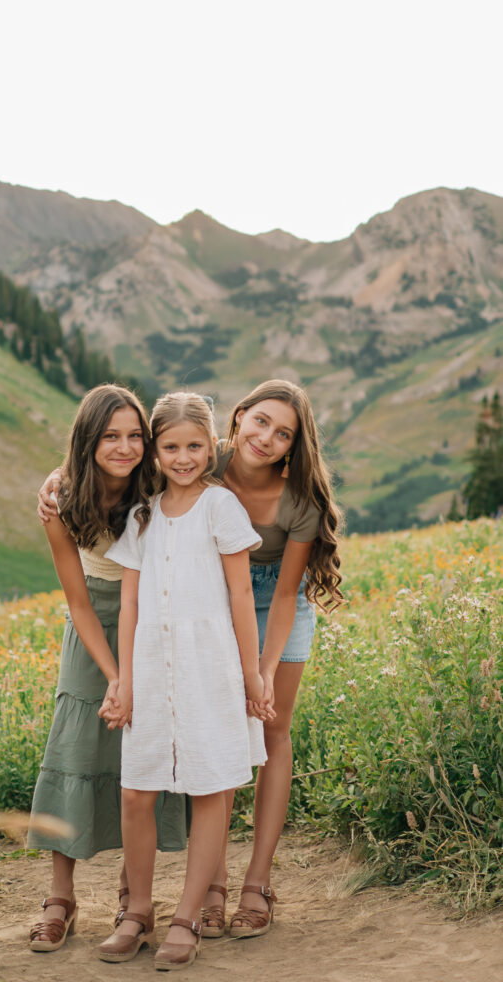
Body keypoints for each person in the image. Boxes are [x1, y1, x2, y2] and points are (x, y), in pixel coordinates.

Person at [96, 392, 274, 971]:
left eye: (195, 446)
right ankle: (138, 910)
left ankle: (189, 915)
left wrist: (252, 674)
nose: (183, 457)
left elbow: (243, 595)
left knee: (209, 789)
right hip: (150, 668)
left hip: (209, 669)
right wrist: (121, 679)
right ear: (155, 450)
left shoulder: (220, 508)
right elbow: (128, 604)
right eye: (170, 447)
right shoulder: (143, 516)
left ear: (212, 446)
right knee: (136, 791)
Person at [26, 384, 188, 954]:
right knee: (76, 748)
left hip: (156, 619)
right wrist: (115, 675)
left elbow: (202, 440)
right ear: (88, 441)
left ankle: (131, 893)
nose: (125, 447)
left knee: (140, 751)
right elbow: (76, 600)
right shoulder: (62, 501)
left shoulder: (158, 480)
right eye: (110, 437)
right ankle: (61, 895)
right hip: (93, 621)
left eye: (134, 436)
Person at [201, 379, 343, 940]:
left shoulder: (299, 500)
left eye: (283, 433)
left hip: (278, 604)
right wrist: (56, 478)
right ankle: (210, 881)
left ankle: (257, 881)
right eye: (260, 421)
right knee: (219, 732)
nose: (266, 438)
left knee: (272, 728)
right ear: (238, 417)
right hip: (215, 599)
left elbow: (286, 594)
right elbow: (126, 459)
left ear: (293, 445)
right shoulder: (201, 459)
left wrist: (261, 667)